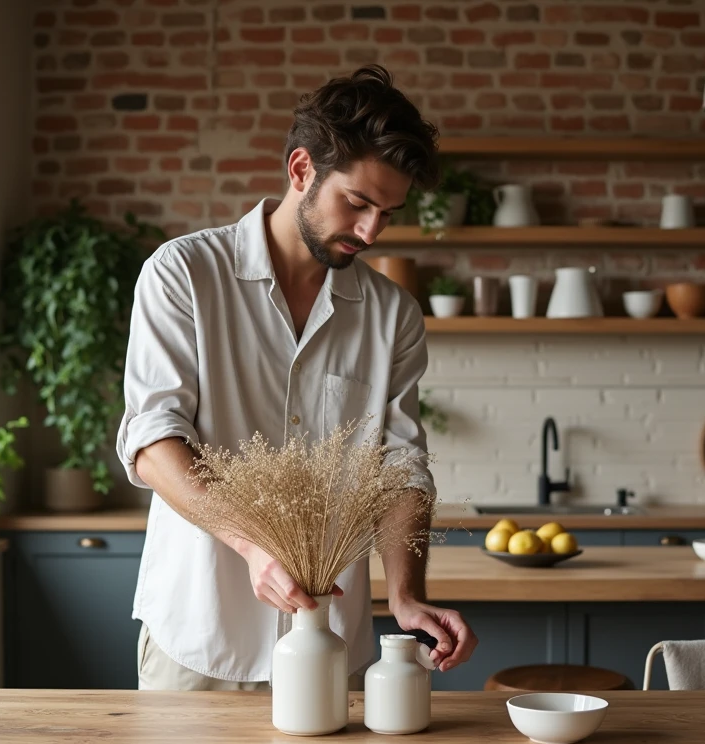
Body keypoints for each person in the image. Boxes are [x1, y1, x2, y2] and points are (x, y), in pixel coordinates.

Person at [116, 64, 478, 691]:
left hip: (333, 644)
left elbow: (399, 468)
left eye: (387, 213)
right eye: (358, 203)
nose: (370, 231)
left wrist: (407, 595)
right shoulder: (183, 275)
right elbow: (153, 441)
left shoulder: (393, 317)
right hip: (198, 639)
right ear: (302, 170)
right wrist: (256, 546)